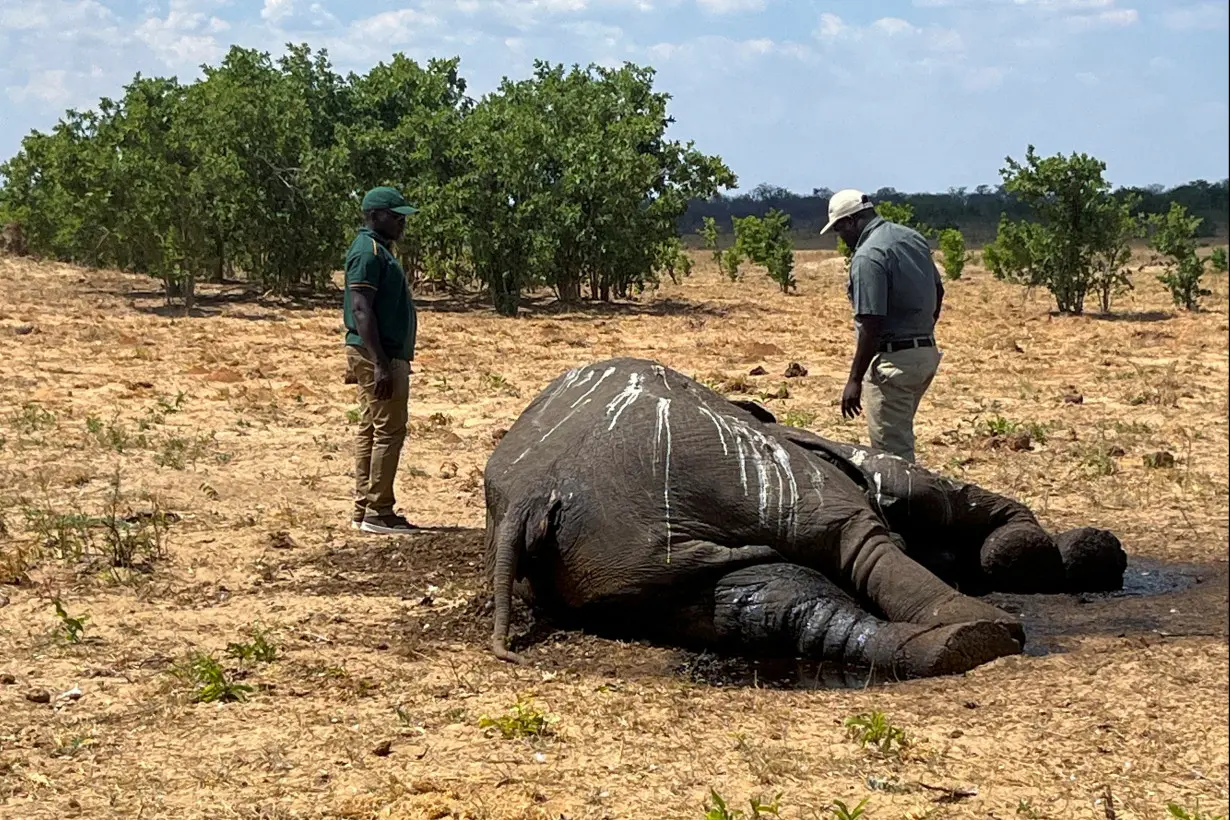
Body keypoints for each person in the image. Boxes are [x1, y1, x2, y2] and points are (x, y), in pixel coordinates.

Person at [820, 189, 944, 464]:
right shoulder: (911, 238)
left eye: (841, 230)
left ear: (852, 221)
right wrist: (920, 331)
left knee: (893, 459)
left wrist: (854, 380)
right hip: (925, 355)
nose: (842, 238)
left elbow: (870, 323)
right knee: (900, 437)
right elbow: (938, 291)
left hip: (893, 366)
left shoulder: (868, 256)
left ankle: (909, 506)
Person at [343, 186, 420, 534]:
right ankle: (379, 511)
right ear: (375, 216)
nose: (401, 221)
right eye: (395, 215)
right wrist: (379, 362)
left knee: (372, 428)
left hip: (379, 353)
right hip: (381, 355)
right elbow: (361, 308)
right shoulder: (368, 253)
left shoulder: (379, 251)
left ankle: (366, 509)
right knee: (389, 429)